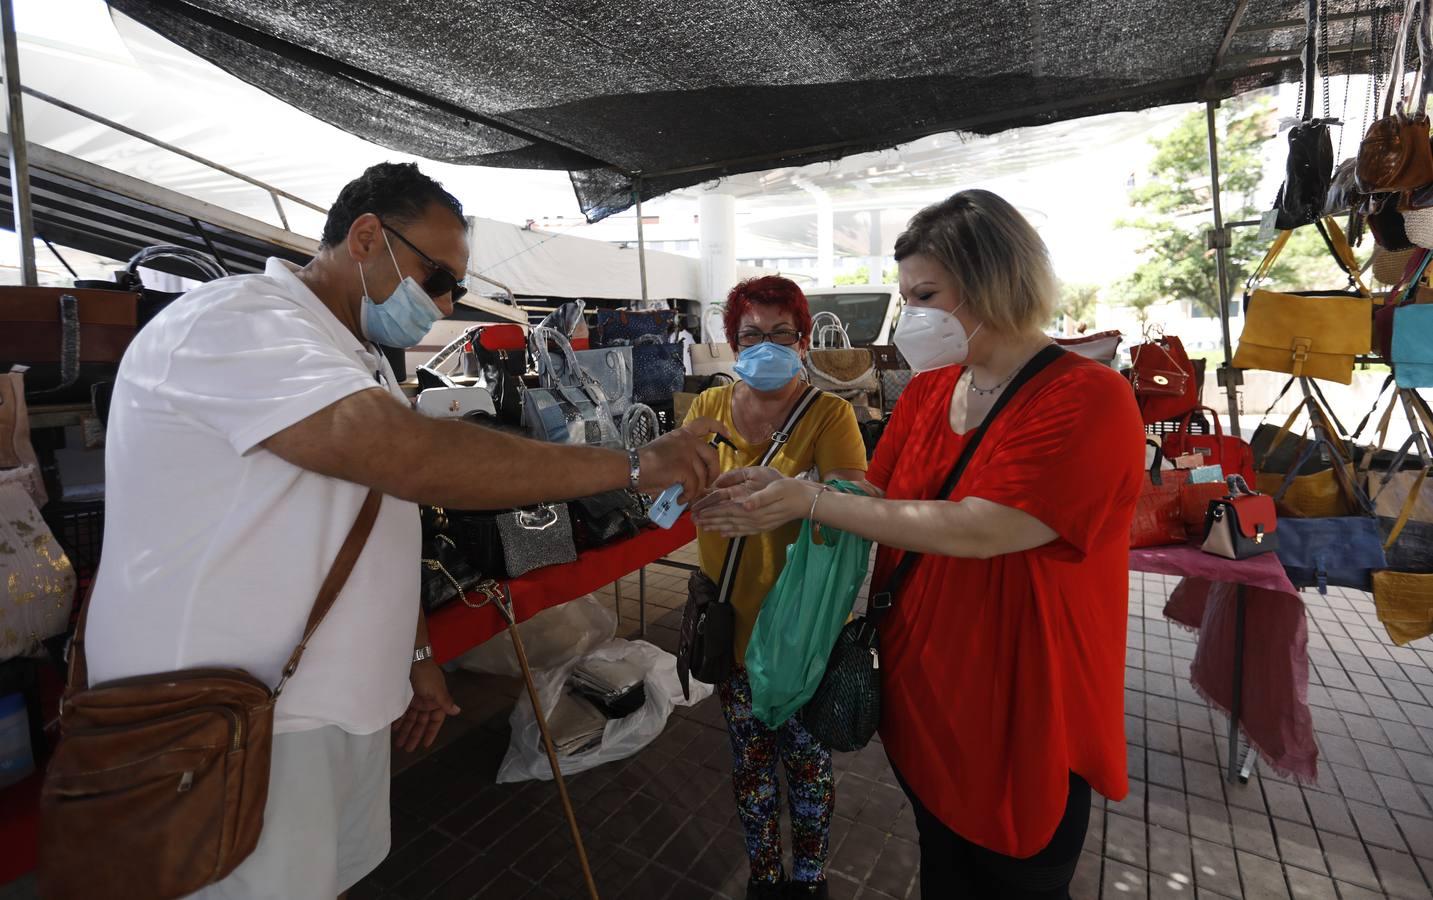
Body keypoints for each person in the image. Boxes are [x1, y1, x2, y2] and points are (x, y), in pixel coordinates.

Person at [84, 162, 724, 900]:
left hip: (317, 706)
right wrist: (632, 466)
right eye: (437, 274)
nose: (446, 300)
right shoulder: (238, 320)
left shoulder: (351, 355)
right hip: (234, 716)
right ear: (365, 237)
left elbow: (375, 518)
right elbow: (410, 459)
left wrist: (413, 649)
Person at [694, 191, 1144, 899]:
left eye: (926, 294)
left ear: (996, 278)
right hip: (925, 691)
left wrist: (808, 498)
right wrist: (777, 484)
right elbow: (875, 497)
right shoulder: (934, 389)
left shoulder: (1088, 399)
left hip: (1020, 703)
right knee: (943, 864)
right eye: (906, 298)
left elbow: (985, 526)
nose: (912, 318)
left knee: (1014, 874)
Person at [684, 276, 868, 900]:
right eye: (751, 335)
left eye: (780, 333)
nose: (766, 344)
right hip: (730, 616)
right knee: (751, 762)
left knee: (807, 764)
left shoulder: (829, 413)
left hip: (800, 627)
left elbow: (857, 501)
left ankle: (810, 879)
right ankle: (765, 877)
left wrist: (792, 495)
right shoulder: (709, 407)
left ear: (803, 339)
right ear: (733, 343)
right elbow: (682, 485)